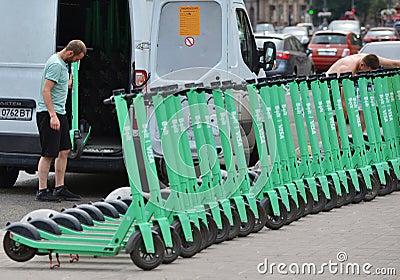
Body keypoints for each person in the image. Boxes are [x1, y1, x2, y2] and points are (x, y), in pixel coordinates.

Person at [35, 40, 87, 202]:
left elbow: (61, 85)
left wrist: (71, 82)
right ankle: (42, 190)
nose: (77, 61)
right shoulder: (56, 65)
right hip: (49, 114)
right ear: (71, 53)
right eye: (77, 59)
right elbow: (46, 91)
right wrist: (52, 115)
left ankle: (60, 187)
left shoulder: (63, 64)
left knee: (64, 150)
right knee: (48, 153)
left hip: (60, 113)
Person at [326, 53, 400, 132]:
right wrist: (342, 124)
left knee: (364, 110)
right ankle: (338, 140)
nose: (369, 74)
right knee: (338, 122)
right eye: (368, 71)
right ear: (362, 65)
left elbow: (394, 63)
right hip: (330, 87)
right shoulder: (348, 69)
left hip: (345, 82)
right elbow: (343, 102)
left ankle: (358, 140)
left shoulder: (370, 59)